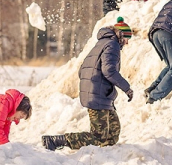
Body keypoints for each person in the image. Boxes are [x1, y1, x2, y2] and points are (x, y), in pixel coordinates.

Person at [42, 18, 134, 150]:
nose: (127, 43)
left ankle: (103, 155)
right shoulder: (112, 45)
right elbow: (109, 70)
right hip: (97, 94)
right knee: (99, 137)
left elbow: (83, 69)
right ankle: (56, 141)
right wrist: (127, 88)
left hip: (98, 92)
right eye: (127, 39)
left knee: (113, 133)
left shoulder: (102, 43)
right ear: (121, 35)